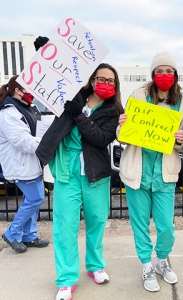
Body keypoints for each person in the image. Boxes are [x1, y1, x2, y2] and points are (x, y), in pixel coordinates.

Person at [36, 63, 124, 300]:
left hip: (96, 174)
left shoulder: (114, 112)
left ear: (115, 85)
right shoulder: (71, 98)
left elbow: (100, 138)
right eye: (101, 78)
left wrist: (78, 114)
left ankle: (95, 265)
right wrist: (46, 56)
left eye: (111, 80)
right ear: (92, 80)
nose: (105, 83)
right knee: (65, 227)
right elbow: (54, 79)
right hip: (67, 172)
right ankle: (66, 279)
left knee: (97, 222)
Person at [117, 51, 183, 292]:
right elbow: (121, 136)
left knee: (166, 227)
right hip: (137, 172)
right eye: (159, 71)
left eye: (169, 71)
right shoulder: (138, 95)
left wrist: (182, 139)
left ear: (175, 74)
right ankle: (146, 265)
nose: (164, 75)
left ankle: (162, 260)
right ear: (152, 74)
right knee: (139, 224)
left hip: (165, 173)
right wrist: (122, 127)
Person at [0, 75, 49, 253]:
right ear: (18, 90)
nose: (33, 93)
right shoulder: (8, 113)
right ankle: (13, 233)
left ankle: (29, 235)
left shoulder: (27, 108)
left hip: (29, 163)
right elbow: (21, 141)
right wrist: (46, 144)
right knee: (36, 198)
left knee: (32, 199)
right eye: (29, 89)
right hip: (20, 165)